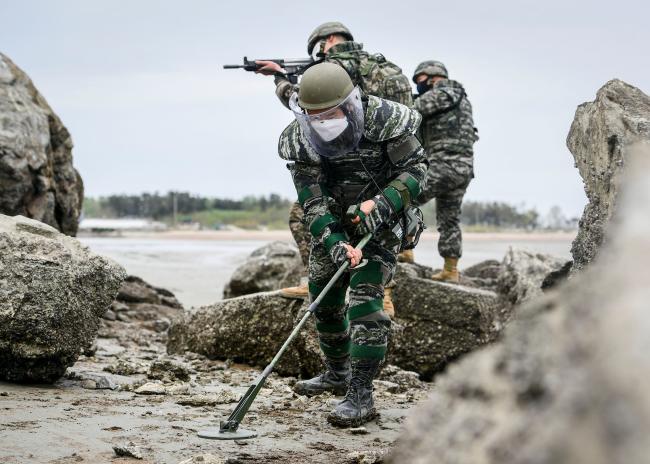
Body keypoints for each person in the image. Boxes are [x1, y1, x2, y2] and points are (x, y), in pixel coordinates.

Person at [278, 62, 428, 426]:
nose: (324, 122)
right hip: (335, 221)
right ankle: (337, 373)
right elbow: (310, 198)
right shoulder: (299, 141)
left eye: (330, 114)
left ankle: (361, 394)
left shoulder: (388, 121)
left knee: (364, 301)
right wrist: (331, 239)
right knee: (323, 298)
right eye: (315, 117)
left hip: (384, 221)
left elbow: (418, 174)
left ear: (351, 103)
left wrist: (384, 203)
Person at [256, 21, 412, 309]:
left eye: (318, 49)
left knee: (303, 214)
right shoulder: (384, 66)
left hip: (348, 153)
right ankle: (385, 290)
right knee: (386, 215)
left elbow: (302, 102)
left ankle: (319, 279)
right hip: (392, 156)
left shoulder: (334, 68)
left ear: (327, 40)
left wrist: (278, 78)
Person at [412, 60, 478, 283]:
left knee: (405, 199)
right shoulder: (462, 98)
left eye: (420, 80)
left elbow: (412, 111)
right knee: (449, 218)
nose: (418, 85)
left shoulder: (443, 93)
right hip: (463, 169)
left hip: (443, 165)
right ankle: (451, 269)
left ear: (432, 77)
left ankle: (404, 250)